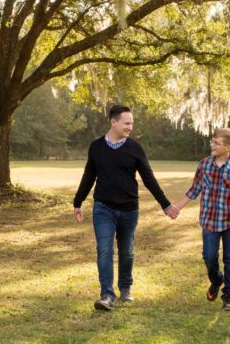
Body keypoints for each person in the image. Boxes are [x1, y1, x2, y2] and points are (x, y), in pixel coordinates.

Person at [73, 104, 179, 311]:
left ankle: (125, 288)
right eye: (127, 123)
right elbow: (89, 176)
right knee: (104, 250)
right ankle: (107, 295)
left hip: (129, 209)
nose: (130, 127)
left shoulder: (135, 148)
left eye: (132, 123)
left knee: (127, 252)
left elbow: (149, 178)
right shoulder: (96, 147)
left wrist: (165, 204)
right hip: (103, 208)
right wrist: (78, 202)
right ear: (114, 122)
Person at [172, 128, 230, 311]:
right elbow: (194, 191)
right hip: (209, 220)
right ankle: (217, 280)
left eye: (217, 143)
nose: (212, 145)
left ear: (229, 147)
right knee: (208, 256)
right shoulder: (204, 165)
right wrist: (177, 207)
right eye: (212, 141)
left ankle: (229, 297)